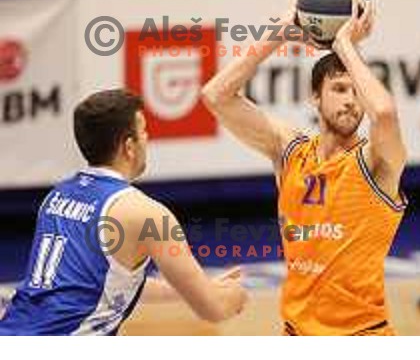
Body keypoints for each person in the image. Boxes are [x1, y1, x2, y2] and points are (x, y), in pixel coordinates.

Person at [202, 0, 408, 335]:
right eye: (340, 89)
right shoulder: (291, 150)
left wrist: (345, 45)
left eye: (357, 92)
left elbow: (384, 114)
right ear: (315, 97)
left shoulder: (377, 163)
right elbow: (215, 96)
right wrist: (278, 33)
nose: (351, 101)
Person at [0, 89, 247, 335]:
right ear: (129, 146)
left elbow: (103, 285)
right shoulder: (147, 215)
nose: (147, 138)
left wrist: (193, 288)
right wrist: (234, 296)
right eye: (144, 131)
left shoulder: (57, 196)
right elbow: (212, 311)